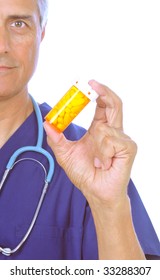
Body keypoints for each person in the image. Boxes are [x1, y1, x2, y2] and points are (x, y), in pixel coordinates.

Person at [0, 0, 159, 260]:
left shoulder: (88, 157)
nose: (2, 45)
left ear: (41, 32)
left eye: (19, 23)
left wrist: (108, 206)